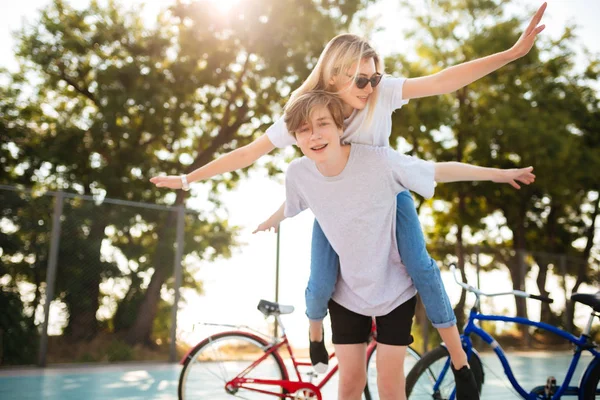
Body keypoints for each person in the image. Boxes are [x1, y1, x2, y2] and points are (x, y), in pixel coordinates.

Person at [149, 2, 546, 390]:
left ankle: (461, 363)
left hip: (388, 197)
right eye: (361, 80)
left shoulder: (382, 93)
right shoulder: (307, 115)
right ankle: (316, 335)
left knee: (421, 267)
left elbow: (443, 80)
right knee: (320, 283)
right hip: (336, 212)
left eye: (374, 78)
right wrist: (187, 179)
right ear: (335, 73)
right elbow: (250, 153)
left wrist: (512, 54)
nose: (370, 88)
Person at [255, 90, 534, 400]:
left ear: (339, 126)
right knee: (350, 383)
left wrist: (499, 174)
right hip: (347, 292)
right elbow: (293, 203)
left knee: (390, 386)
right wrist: (271, 219)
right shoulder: (298, 173)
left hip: (394, 289)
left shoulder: (377, 162)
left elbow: (436, 171)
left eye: (322, 124)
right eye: (304, 129)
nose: (315, 135)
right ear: (293, 136)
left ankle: (460, 362)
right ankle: (315, 333)